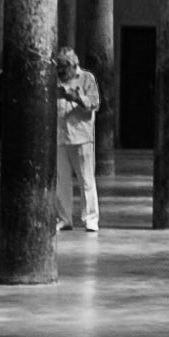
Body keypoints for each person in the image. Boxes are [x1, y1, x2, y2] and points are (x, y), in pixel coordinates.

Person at [54, 47, 99, 233]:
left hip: (81, 136)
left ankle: (90, 219)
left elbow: (95, 103)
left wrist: (78, 99)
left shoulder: (87, 78)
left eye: (64, 69)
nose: (60, 73)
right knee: (61, 181)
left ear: (73, 66)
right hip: (60, 135)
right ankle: (64, 219)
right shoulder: (56, 79)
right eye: (58, 69)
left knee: (86, 180)